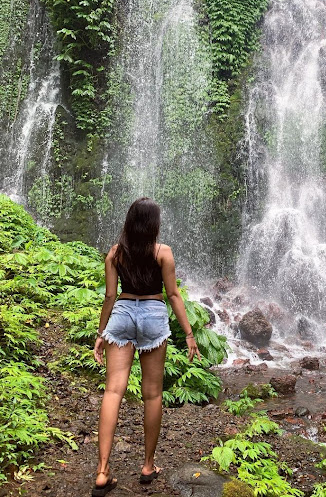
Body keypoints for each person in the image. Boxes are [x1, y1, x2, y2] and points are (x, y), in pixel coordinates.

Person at [91, 197, 200, 497]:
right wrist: (189, 334)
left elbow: (110, 297)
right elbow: (174, 295)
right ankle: (148, 466)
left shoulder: (115, 254)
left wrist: (101, 333)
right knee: (152, 394)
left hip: (123, 314)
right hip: (153, 315)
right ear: (153, 225)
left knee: (114, 390)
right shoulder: (163, 253)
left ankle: (102, 471)